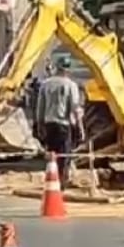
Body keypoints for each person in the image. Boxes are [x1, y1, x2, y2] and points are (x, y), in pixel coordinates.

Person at [35, 56, 83, 185]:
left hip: (49, 124)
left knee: (52, 154)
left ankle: (51, 180)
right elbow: (75, 108)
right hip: (63, 125)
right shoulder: (71, 85)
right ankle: (61, 183)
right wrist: (80, 128)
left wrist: (40, 125)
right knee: (64, 156)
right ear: (68, 70)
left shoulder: (45, 84)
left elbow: (40, 107)